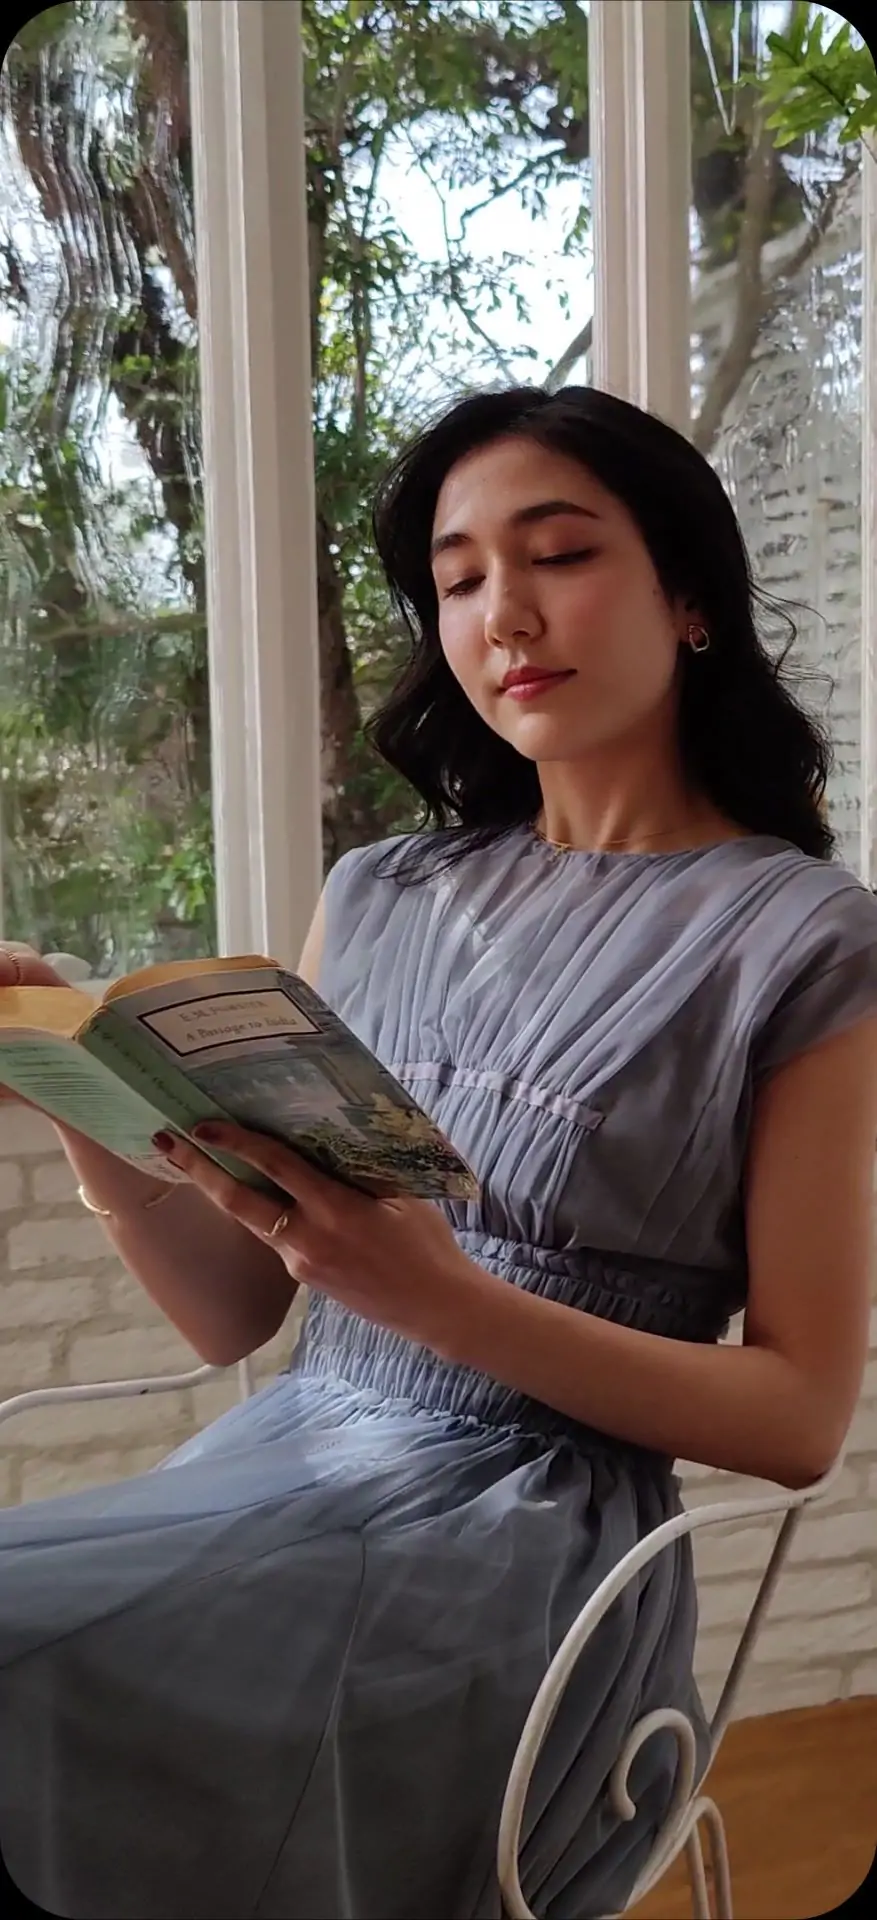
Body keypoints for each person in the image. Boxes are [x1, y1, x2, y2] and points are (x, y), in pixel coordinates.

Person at [2, 384, 877, 1920]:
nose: (504, 614)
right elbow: (238, 1316)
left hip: (527, 1570)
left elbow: (801, 1416)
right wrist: (79, 1098)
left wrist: (442, 1302)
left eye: (560, 555)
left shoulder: (805, 941)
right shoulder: (382, 893)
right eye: (459, 580)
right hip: (284, 1471)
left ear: (689, 599)